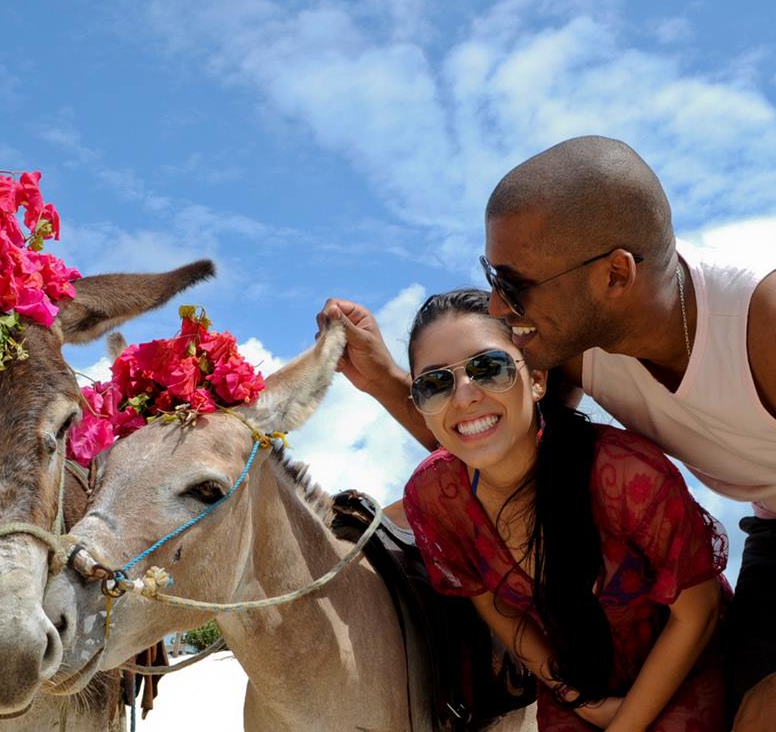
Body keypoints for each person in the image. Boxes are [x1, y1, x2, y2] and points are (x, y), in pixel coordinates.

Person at [317, 136, 776, 731]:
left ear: (615, 275)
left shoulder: (760, 320)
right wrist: (384, 381)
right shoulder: (565, 344)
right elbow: (501, 456)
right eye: (491, 278)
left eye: (512, 283)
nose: (496, 306)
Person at [401, 288, 727, 731]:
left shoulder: (625, 474)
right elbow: (495, 605)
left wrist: (622, 724)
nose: (463, 397)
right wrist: (581, 700)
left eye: (488, 368)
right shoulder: (436, 495)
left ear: (537, 379)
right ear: (422, 410)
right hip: (578, 686)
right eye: (435, 383)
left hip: (686, 665)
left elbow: (698, 612)